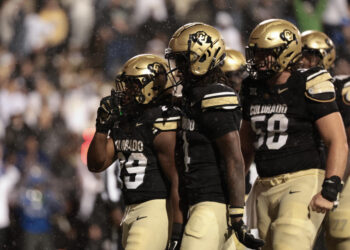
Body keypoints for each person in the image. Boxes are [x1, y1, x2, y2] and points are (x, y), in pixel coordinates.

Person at [240, 19, 348, 250]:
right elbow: (245, 145)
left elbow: (337, 139)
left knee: (288, 242)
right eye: (256, 53)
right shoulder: (252, 86)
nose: (257, 59)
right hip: (265, 185)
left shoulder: (310, 82)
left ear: (286, 53)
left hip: (302, 180)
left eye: (264, 54)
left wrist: (331, 187)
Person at [165, 22, 264, 250]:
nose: (177, 67)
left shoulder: (215, 96)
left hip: (213, 202)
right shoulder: (194, 96)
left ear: (200, 59)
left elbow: (234, 158)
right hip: (199, 202)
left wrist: (237, 215)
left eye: (182, 60)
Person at [87, 54, 183, 250]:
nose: (126, 91)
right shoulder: (125, 122)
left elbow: (177, 180)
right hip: (130, 210)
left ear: (152, 86)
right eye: (125, 84)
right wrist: (101, 127)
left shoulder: (162, 121)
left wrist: (177, 228)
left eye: (133, 85)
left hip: (155, 209)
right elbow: (96, 164)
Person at [301, 30, 350, 250]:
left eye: (309, 55)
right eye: (299, 53)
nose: (302, 60)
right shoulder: (290, 86)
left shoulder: (341, 88)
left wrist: (335, 183)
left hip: (337, 170)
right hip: (309, 170)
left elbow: (345, 141)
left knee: (339, 233)